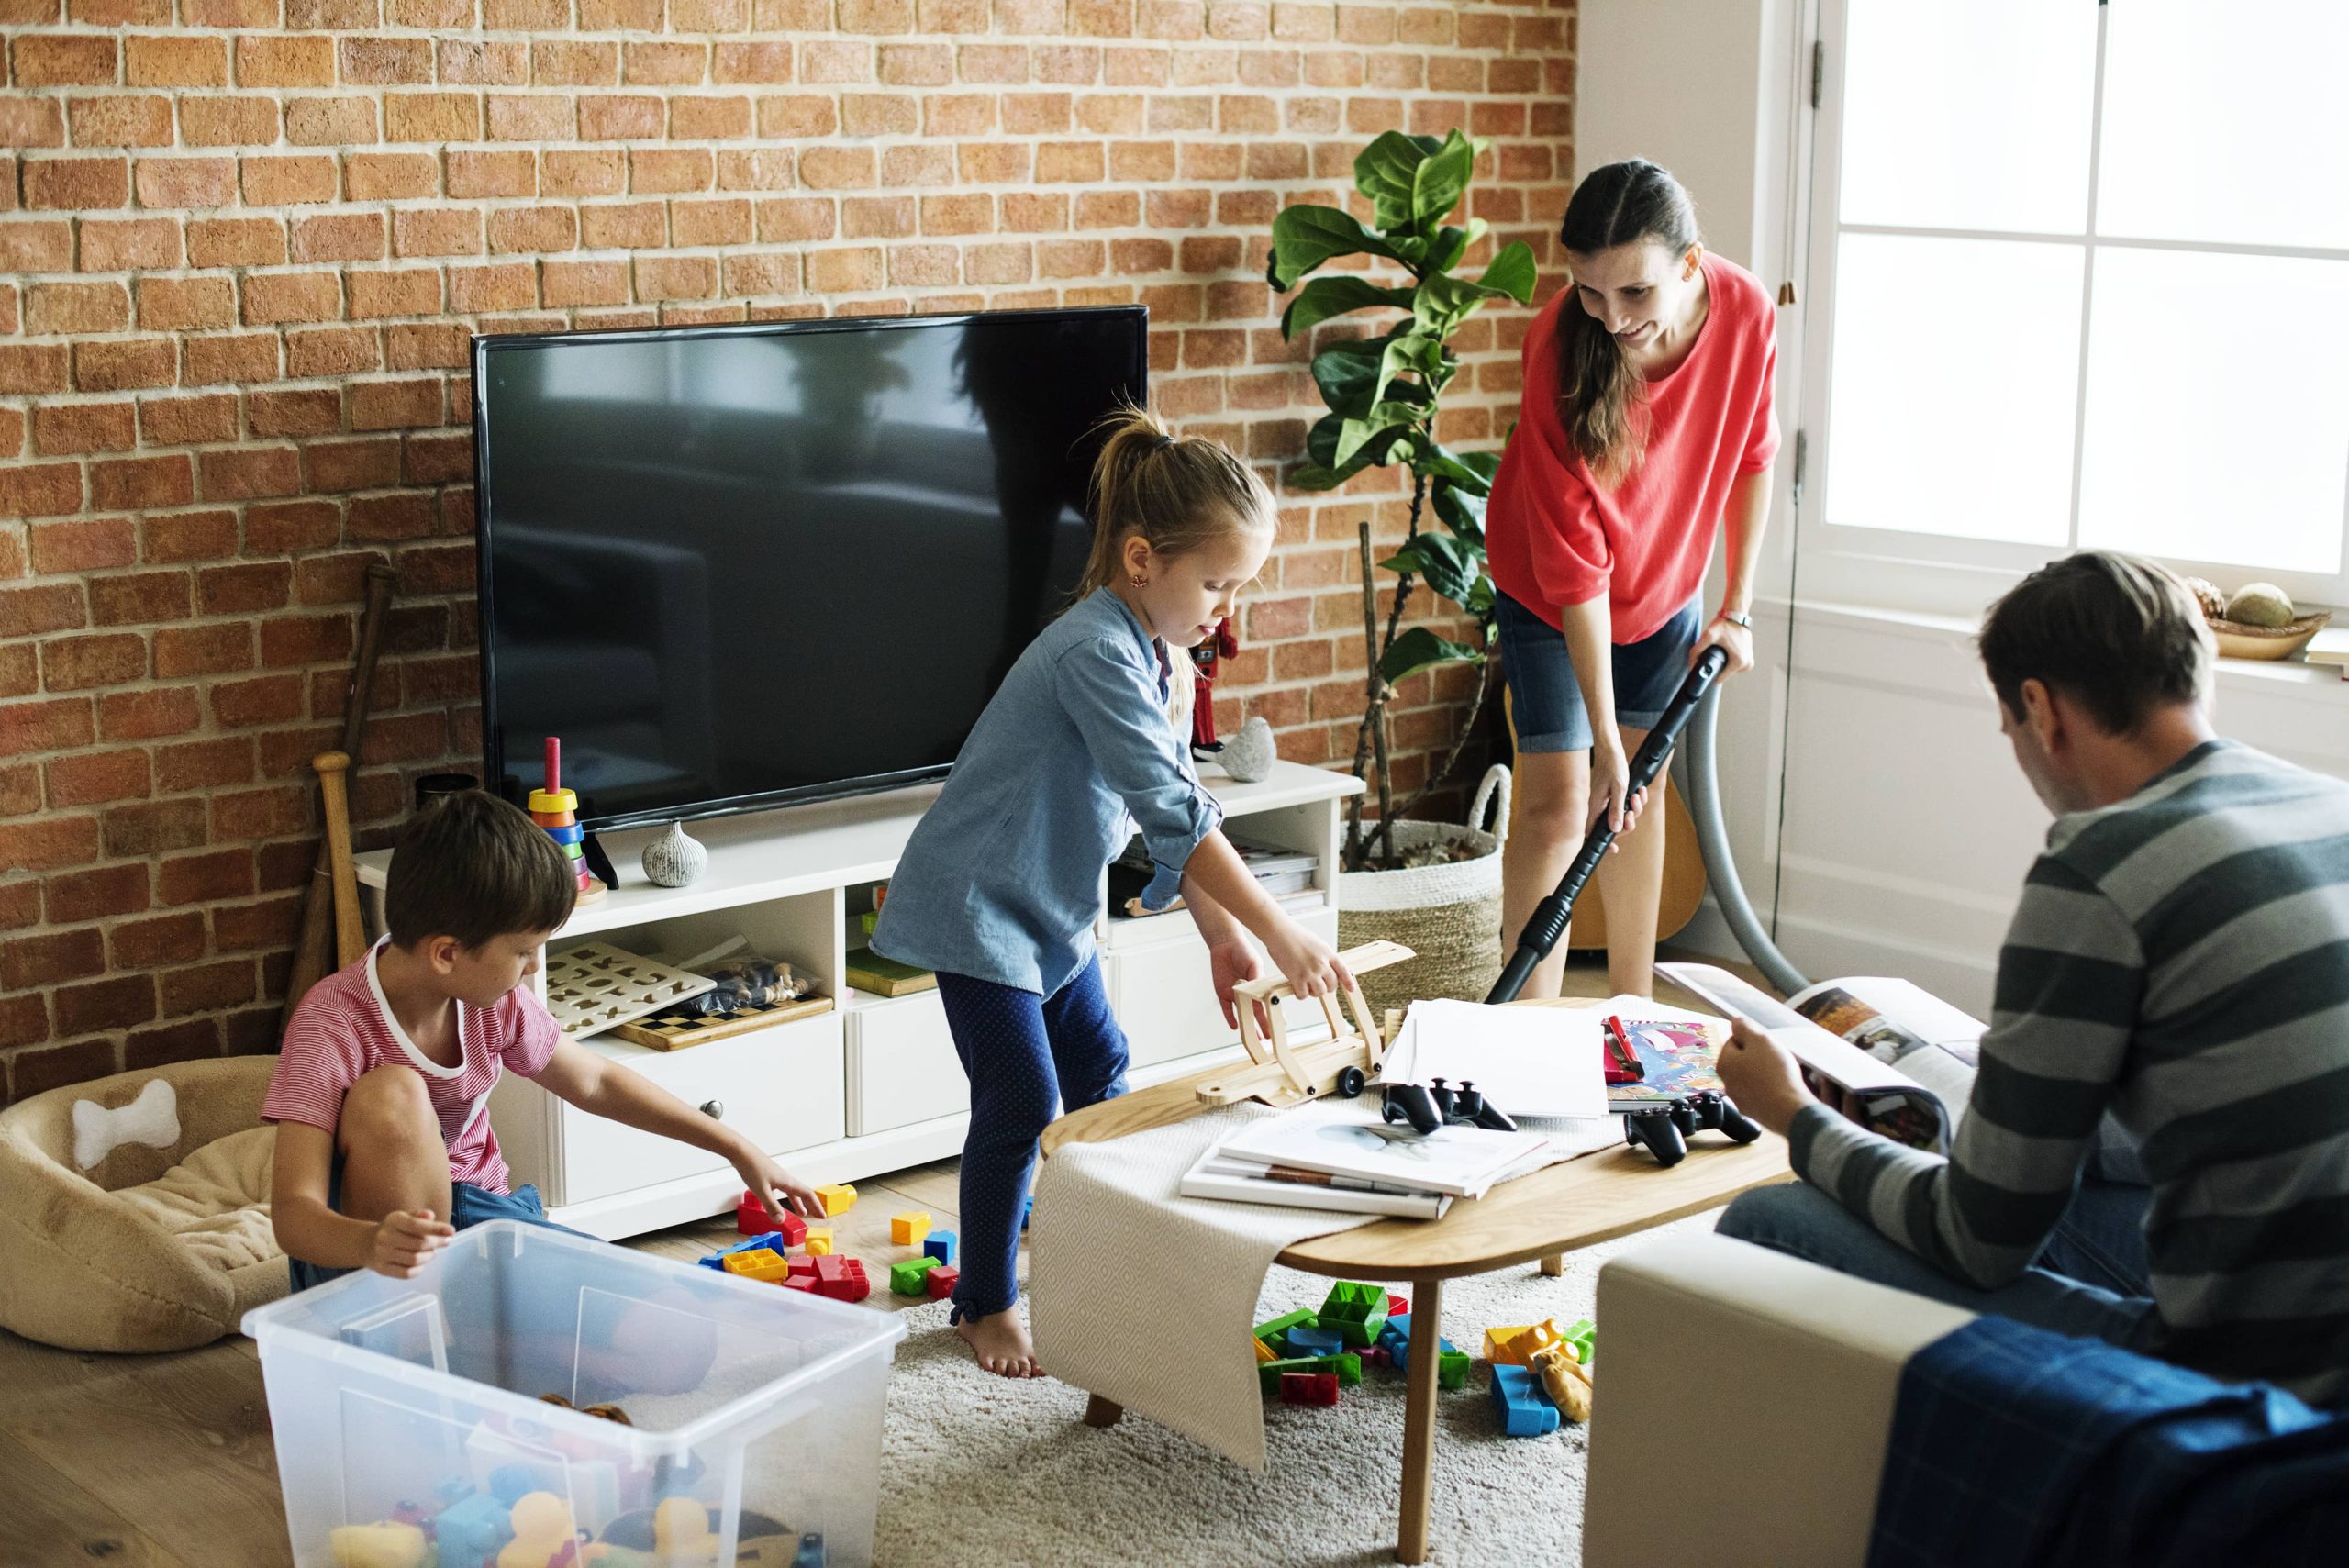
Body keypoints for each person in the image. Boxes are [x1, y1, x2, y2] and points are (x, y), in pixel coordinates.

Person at [1714, 550, 2349, 1407]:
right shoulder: (2327, 806)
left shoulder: (2101, 865)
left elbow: (1980, 1243)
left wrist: (1793, 1114)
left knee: (1769, 1226)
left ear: (2042, 711)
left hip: (2259, 1383)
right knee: (2050, 1156)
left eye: (2008, 727)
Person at [873, 406, 1350, 1379]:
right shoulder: (1093, 649)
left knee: (1104, 1071)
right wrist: (1281, 929)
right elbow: (1176, 808)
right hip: (977, 907)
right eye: (1216, 583)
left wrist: (1222, 934)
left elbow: (1167, 807)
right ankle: (986, 1297)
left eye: (1238, 586)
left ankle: (1101, 1241)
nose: (1227, 609)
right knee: (1021, 1099)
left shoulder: (1157, 654)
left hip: (1047, 909)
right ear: (1141, 559)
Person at [266, 791, 823, 1289]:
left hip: (482, 1217)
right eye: (523, 951)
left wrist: (735, 1147)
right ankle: (414, 1351)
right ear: (447, 953)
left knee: (677, 1340)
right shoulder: (330, 1023)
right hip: (368, 1254)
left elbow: (597, 1081)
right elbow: (294, 1215)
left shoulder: (494, 998)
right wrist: (370, 1243)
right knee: (395, 1093)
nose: (535, 966)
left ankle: (476, 1334)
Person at [1486, 159, 1779, 1000]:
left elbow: (1754, 457)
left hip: (1667, 578)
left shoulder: (1748, 311)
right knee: (1559, 800)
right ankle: (1524, 1036)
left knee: (1639, 795)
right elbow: (1575, 563)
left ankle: (1633, 1011)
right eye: (1589, 291)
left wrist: (1738, 609)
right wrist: (1606, 737)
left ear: (1689, 266)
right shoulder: (1557, 345)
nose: (1610, 319)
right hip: (1552, 586)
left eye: (1635, 295)